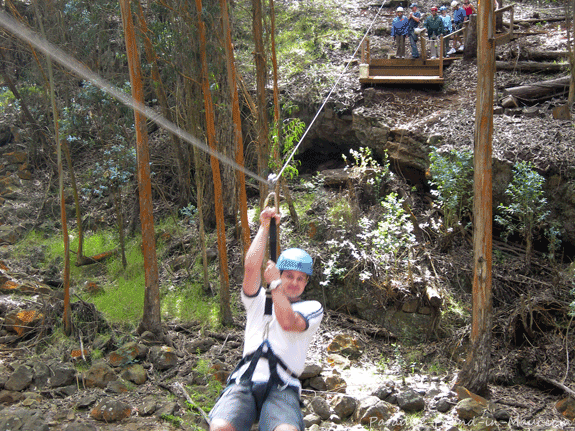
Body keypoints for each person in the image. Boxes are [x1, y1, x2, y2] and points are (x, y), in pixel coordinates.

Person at [209, 207, 324, 431]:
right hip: (245, 380)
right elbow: (251, 268)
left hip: (283, 385)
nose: (293, 282)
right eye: (288, 275)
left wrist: (275, 284)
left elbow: (287, 322)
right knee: (221, 428)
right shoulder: (258, 300)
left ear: (306, 283)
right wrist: (264, 227)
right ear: (279, 274)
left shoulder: (312, 308)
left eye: (300, 279)